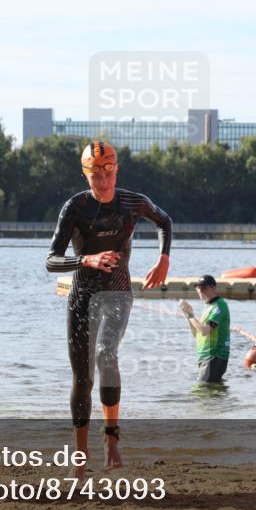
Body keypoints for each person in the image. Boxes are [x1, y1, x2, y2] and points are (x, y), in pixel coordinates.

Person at [46, 141, 172, 475]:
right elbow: (51, 261)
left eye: (108, 172)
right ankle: (80, 456)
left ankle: (111, 437)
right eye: (95, 175)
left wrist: (163, 260)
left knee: (106, 355)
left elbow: (165, 221)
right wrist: (86, 259)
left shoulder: (131, 202)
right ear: (86, 173)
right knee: (82, 377)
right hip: (82, 296)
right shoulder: (75, 208)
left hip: (117, 292)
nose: (103, 182)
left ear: (116, 169)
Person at [179, 275, 231, 383]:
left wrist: (191, 315)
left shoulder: (219, 306)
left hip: (214, 357)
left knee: (200, 393)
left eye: (204, 288)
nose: (200, 291)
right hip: (205, 357)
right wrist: (187, 314)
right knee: (208, 394)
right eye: (198, 288)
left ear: (213, 288)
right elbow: (196, 333)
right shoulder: (208, 307)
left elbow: (205, 330)